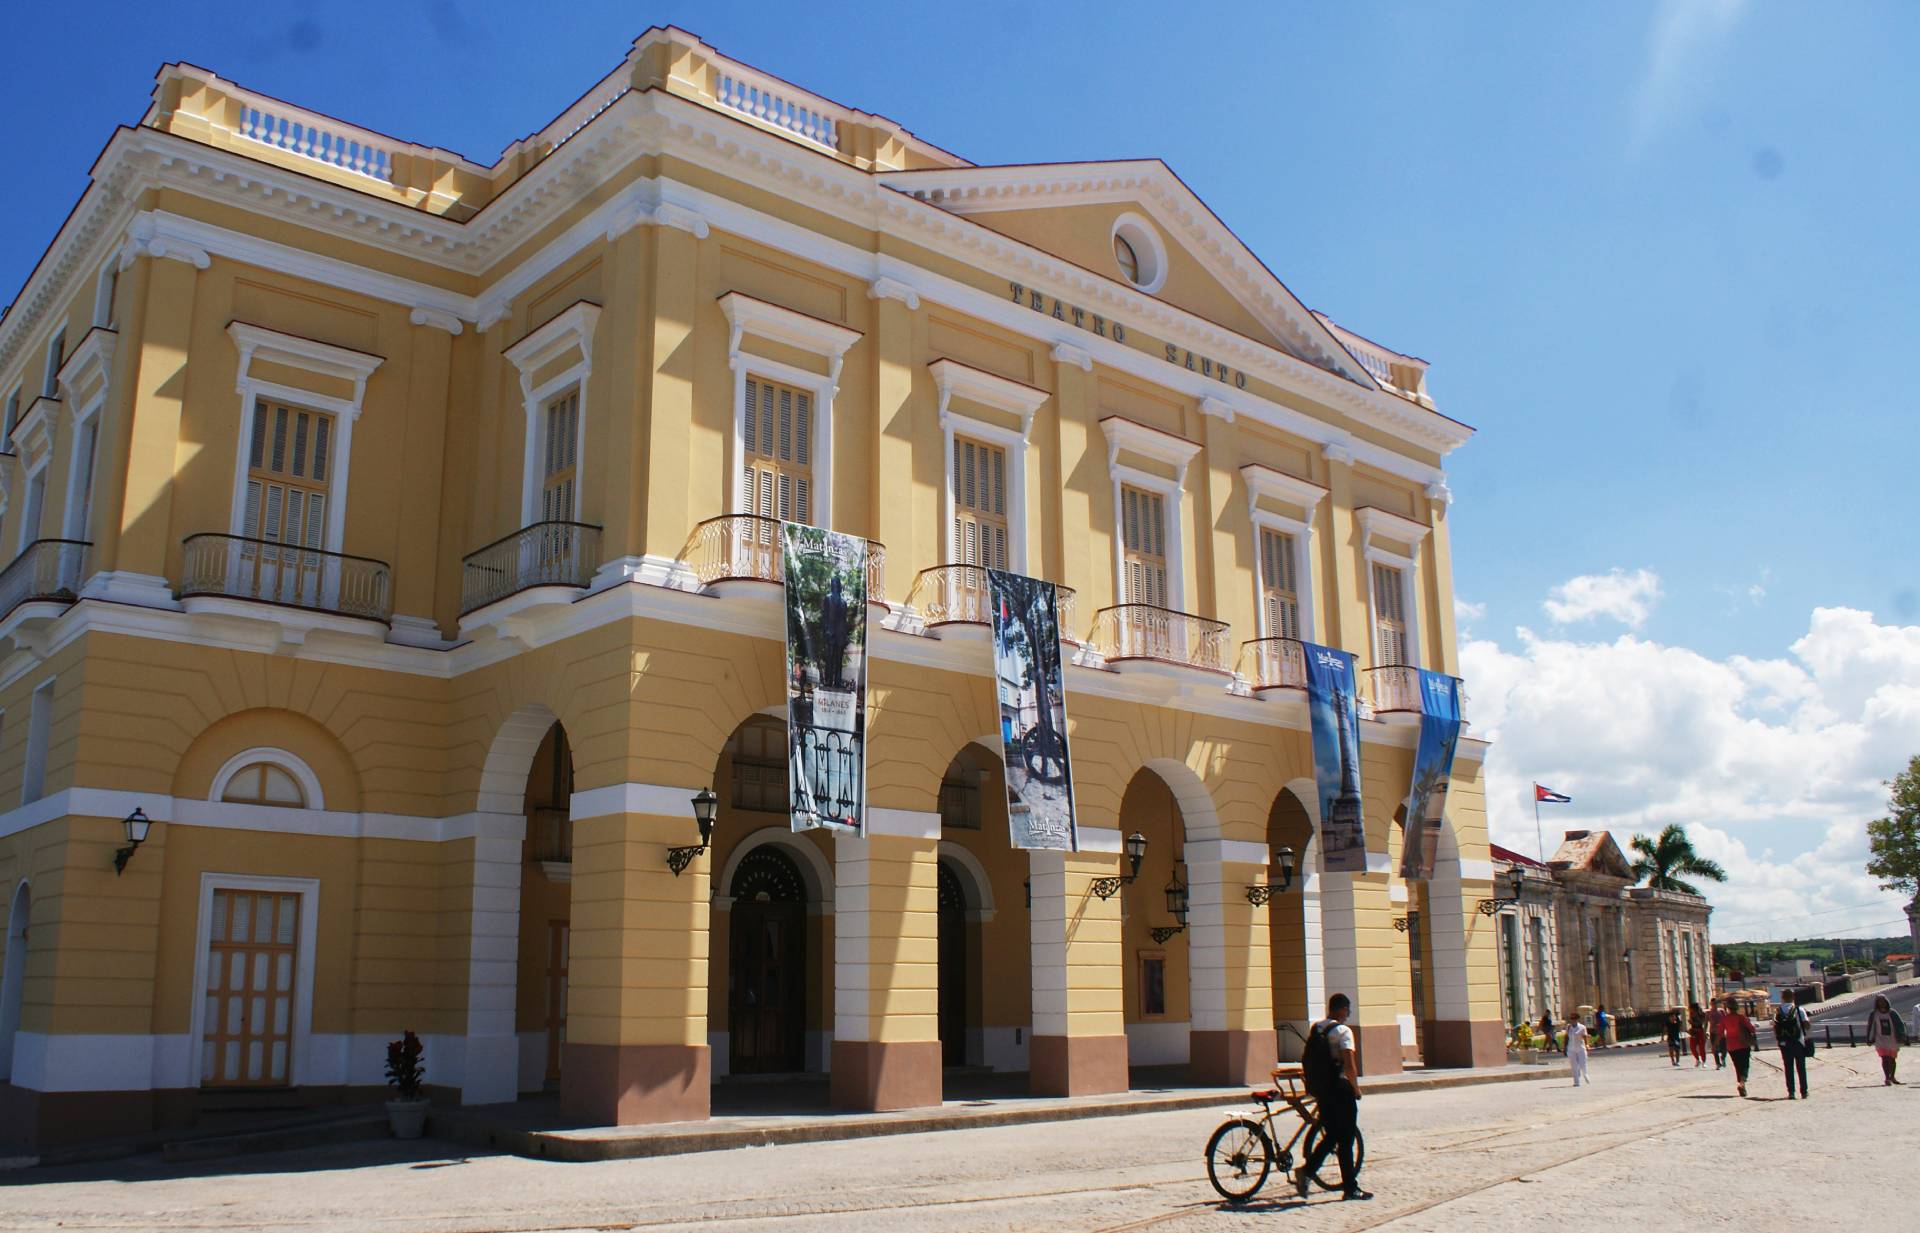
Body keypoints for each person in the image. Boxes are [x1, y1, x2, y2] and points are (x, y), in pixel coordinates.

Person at [1296, 992, 1370, 1202]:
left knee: (1332, 1135)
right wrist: (1355, 1089)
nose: (1348, 1014)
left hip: (1323, 1089)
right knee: (1345, 1139)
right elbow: (1349, 1064)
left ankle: (1308, 1172)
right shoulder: (1343, 1031)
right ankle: (1350, 1188)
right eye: (1347, 1010)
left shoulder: (1318, 1027)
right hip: (1340, 1088)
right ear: (1343, 1009)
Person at [1775, 990, 1812, 1099]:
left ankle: (1791, 1092)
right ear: (1793, 997)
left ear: (1782, 997)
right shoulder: (1799, 1009)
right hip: (1798, 1042)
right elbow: (1807, 1025)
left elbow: (1775, 1027)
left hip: (1784, 1043)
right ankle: (1804, 1091)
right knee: (1801, 1067)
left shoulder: (1778, 1011)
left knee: (1788, 1068)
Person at [1866, 993, 1907, 1086]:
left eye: (1883, 1001)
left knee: (1892, 1059)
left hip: (1893, 1039)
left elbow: (1900, 1025)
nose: (1881, 1003)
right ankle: (1887, 1078)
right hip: (1880, 1040)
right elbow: (1871, 1026)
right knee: (1885, 1058)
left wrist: (1902, 1036)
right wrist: (1869, 1038)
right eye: (1879, 1002)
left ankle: (1892, 1076)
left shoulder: (1892, 1013)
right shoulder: (1874, 1014)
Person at [1721, 999, 1757, 1097]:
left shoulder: (1724, 1019)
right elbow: (1752, 1029)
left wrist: (1716, 1044)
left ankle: (1741, 1083)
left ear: (1728, 1008)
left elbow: (1720, 1032)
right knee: (1745, 1065)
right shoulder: (1741, 1017)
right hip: (1743, 1044)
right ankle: (1742, 1083)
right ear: (1737, 1007)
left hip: (1731, 1046)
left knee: (1737, 1065)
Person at [1567, 1015, 1590, 1086]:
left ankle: (1585, 1074)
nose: (1573, 1020)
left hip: (1580, 1047)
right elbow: (1566, 1037)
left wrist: (1587, 1045)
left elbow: (1585, 1036)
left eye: (1574, 1019)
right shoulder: (1568, 1027)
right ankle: (1576, 1082)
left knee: (1582, 1064)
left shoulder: (1582, 1027)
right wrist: (1565, 1046)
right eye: (1571, 1019)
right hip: (1571, 1048)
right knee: (1574, 1065)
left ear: (1577, 1019)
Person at [1687, 1002, 1708, 1067]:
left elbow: (1704, 1022)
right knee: (1692, 1047)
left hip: (1700, 1030)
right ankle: (1697, 1059)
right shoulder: (1691, 1014)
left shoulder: (1701, 1014)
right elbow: (1691, 1023)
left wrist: (1705, 1032)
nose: (1690, 1010)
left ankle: (1704, 1061)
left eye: (1690, 1009)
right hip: (1693, 1031)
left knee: (1702, 1047)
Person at [1708, 1001, 1728, 1069]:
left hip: (1721, 1032)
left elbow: (1726, 1020)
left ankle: (1723, 1058)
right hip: (1713, 1032)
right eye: (1713, 1004)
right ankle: (1718, 1063)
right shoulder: (1709, 1012)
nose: (1714, 1005)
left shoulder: (1721, 1011)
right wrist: (1705, 1032)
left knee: (1724, 1047)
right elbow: (1705, 1022)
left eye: (1716, 1003)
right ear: (1711, 1004)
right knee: (1714, 1048)